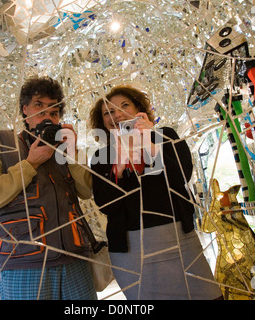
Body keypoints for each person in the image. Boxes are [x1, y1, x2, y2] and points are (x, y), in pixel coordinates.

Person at [89, 84, 222, 300]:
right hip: (131, 251)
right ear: (103, 123)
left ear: (138, 108)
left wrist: (149, 140)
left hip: (180, 240)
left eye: (124, 105)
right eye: (108, 112)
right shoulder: (101, 155)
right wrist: (119, 168)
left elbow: (181, 177)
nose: (117, 114)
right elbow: (105, 204)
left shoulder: (165, 136)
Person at [0, 76, 97, 300]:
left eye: (54, 111)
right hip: (24, 263)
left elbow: (87, 191)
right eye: (39, 106)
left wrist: (72, 154)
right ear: (25, 111)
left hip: (74, 257)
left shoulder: (64, 148)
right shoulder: (2, 142)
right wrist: (30, 164)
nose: (47, 116)